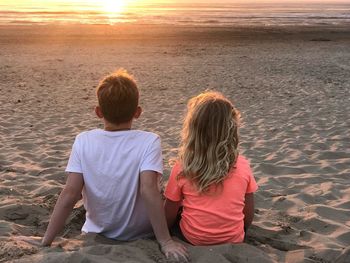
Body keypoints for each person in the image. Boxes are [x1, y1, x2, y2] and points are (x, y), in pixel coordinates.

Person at [41, 69, 188, 261]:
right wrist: (165, 241)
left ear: (98, 112)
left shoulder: (83, 140)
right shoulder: (149, 141)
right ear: (138, 113)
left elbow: (70, 193)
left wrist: (46, 241)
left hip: (97, 232)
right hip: (141, 232)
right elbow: (148, 190)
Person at [164, 91, 258, 246]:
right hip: (233, 238)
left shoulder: (183, 167)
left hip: (193, 238)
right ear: (232, 130)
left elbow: (169, 214)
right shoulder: (242, 165)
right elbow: (248, 215)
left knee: (172, 201)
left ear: (194, 131)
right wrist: (243, 230)